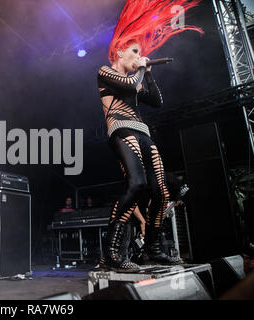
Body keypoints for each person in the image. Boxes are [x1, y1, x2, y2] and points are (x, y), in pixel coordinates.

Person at [98, 0, 203, 272]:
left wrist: (150, 74)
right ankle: (111, 251)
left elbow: (156, 100)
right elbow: (130, 83)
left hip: (143, 133)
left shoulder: (136, 81)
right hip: (121, 130)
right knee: (137, 185)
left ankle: (154, 249)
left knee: (161, 193)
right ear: (119, 52)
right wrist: (142, 68)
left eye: (140, 53)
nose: (138, 56)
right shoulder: (106, 71)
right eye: (134, 51)